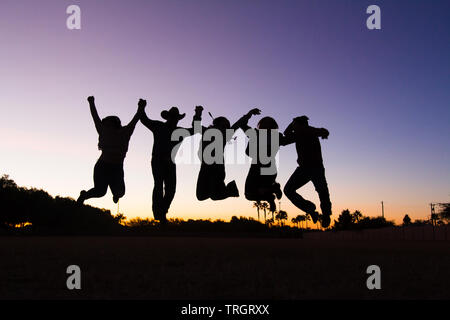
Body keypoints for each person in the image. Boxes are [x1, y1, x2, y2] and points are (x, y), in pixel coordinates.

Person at [77, 96, 144, 204]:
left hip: (117, 168)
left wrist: (141, 107)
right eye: (104, 123)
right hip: (102, 166)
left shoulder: (125, 132)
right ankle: (84, 196)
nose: (104, 124)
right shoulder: (103, 130)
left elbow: (135, 119)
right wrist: (91, 102)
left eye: (107, 122)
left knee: (120, 193)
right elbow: (95, 116)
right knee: (100, 192)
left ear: (114, 123)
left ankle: (116, 194)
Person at [139, 103, 194, 222]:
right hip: (158, 160)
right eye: (172, 117)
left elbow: (195, 130)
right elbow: (143, 119)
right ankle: (160, 213)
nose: (174, 120)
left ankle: (161, 211)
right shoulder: (159, 126)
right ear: (168, 117)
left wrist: (197, 115)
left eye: (175, 118)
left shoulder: (178, 131)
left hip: (169, 162)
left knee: (170, 189)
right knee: (159, 186)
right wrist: (141, 107)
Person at [193, 107, 261, 201]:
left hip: (216, 168)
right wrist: (198, 113)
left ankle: (230, 189)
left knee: (215, 195)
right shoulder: (206, 131)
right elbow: (196, 127)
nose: (225, 128)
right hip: (204, 166)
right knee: (201, 196)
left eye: (227, 126)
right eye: (223, 125)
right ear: (216, 123)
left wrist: (249, 114)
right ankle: (229, 189)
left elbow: (238, 124)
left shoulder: (225, 134)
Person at [283, 116, 332, 228]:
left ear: (299, 125)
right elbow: (324, 131)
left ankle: (319, 212)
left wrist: (323, 133)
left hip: (314, 168)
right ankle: (316, 211)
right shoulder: (301, 133)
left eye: (294, 125)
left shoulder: (306, 131)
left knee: (321, 191)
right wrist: (294, 122)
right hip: (305, 168)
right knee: (322, 191)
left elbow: (287, 133)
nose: (293, 128)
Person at [241, 116, 290, 213]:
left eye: (268, 124)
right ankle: (271, 196)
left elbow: (290, 138)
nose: (266, 126)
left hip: (263, 168)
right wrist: (249, 114)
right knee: (249, 194)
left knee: (250, 194)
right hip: (261, 168)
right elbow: (242, 125)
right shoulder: (256, 134)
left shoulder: (275, 136)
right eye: (265, 124)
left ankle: (272, 192)